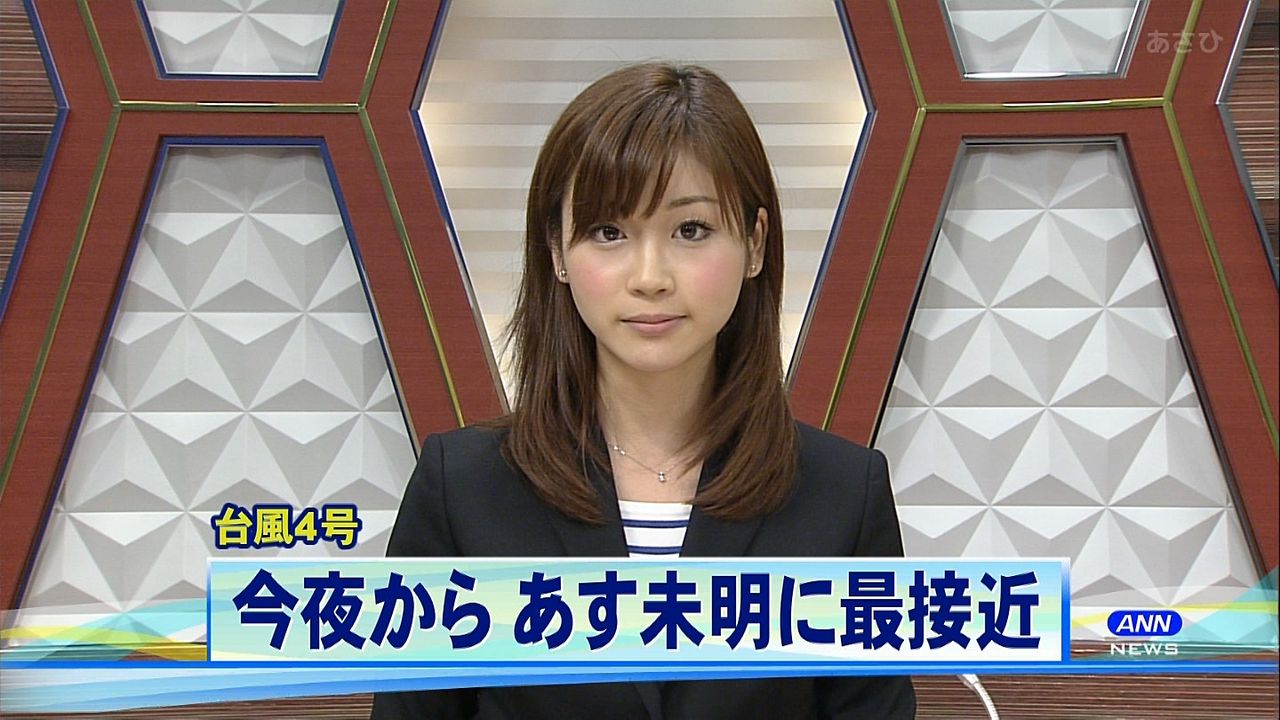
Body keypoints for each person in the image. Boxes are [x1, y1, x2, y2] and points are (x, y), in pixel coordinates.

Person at [371, 62, 915, 719]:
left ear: (754, 244)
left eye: (691, 230)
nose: (650, 277)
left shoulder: (844, 495)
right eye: (609, 232)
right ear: (556, 251)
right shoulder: (462, 488)